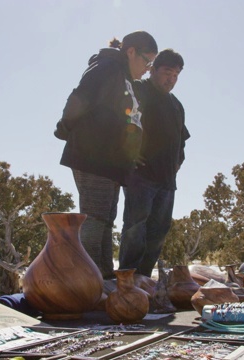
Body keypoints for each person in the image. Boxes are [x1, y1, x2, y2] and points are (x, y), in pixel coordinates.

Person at [54, 31, 158, 280]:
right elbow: (79, 99)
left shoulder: (123, 76)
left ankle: (103, 277)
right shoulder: (107, 67)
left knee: (106, 220)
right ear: (131, 51)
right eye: (147, 61)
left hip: (110, 163)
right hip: (93, 157)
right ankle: (90, 281)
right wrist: (64, 128)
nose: (147, 69)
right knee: (95, 219)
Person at [118, 49, 190, 278]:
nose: (171, 79)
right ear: (153, 70)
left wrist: (177, 161)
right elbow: (120, 121)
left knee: (158, 232)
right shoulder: (138, 90)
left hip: (167, 181)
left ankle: (145, 282)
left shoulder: (176, 105)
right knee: (134, 229)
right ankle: (127, 283)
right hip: (140, 176)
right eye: (167, 72)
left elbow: (181, 140)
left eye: (176, 75)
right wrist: (128, 152)